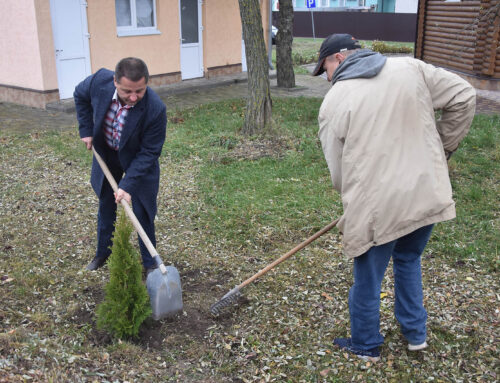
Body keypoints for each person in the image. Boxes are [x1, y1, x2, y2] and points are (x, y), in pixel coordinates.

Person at [313, 34, 476, 362]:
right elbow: (465, 95)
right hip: (424, 191)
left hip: (379, 207)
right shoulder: (411, 68)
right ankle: (416, 335)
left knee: (368, 276)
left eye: (326, 68)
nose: (326, 77)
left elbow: (339, 175)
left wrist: (356, 202)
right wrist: (440, 152)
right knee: (407, 259)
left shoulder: (335, 101)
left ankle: (365, 344)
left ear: (341, 59)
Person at [74, 57, 167, 273]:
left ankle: (150, 263)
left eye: (140, 91)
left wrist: (127, 185)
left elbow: (150, 152)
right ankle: (103, 253)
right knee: (106, 202)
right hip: (108, 153)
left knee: (142, 210)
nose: (133, 97)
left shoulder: (155, 109)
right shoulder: (99, 81)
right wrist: (86, 130)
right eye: (127, 92)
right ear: (115, 81)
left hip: (138, 160)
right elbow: (80, 95)